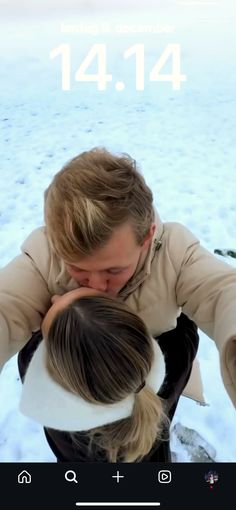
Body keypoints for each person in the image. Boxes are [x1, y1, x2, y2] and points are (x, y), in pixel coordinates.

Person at [0, 147, 235, 456]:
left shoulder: (175, 252)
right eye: (78, 268)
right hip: (75, 387)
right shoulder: (45, 256)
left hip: (151, 381)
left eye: (113, 270)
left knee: (151, 446)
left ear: (147, 237)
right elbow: (7, 304)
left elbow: (223, 291)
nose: (97, 285)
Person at [19, 287, 170, 462]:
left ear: (58, 372)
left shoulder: (62, 427)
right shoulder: (175, 360)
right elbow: (187, 329)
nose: (54, 297)